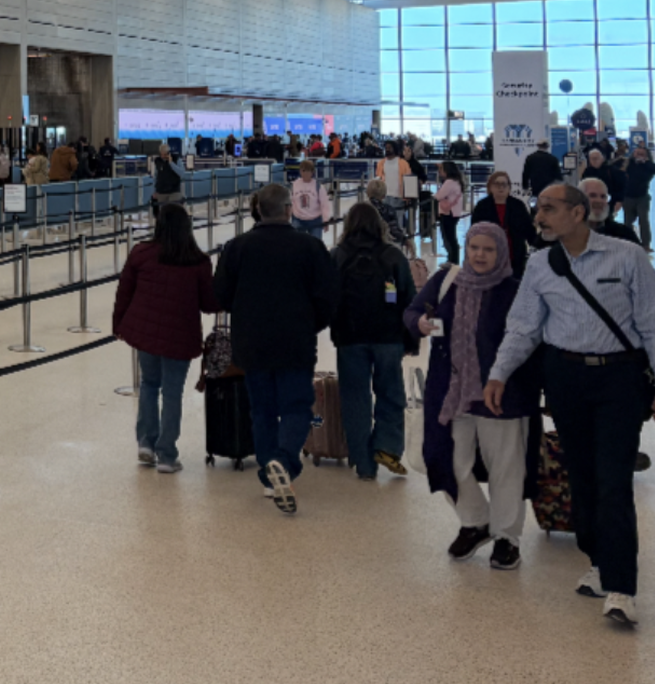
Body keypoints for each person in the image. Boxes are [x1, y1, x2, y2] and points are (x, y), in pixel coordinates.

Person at [484, 183, 655, 627]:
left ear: (578, 213)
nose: (539, 216)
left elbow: (653, 326)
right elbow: (524, 327)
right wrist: (499, 373)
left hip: (619, 379)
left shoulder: (628, 258)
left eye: (549, 208)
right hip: (566, 379)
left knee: (613, 480)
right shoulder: (541, 265)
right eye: (539, 208)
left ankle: (621, 588)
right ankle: (600, 561)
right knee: (581, 478)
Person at [406, 223, 530, 570]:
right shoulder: (446, 282)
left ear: (501, 253)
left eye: (488, 249)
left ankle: (507, 537)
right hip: (452, 391)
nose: (479, 255)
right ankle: (475, 521)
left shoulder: (515, 291)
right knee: (444, 457)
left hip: (501, 394)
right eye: (474, 247)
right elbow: (412, 311)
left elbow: (529, 338)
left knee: (506, 467)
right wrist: (420, 324)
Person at [213, 183, 340, 514]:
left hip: (251, 343)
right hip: (294, 341)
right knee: (297, 407)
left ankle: (271, 476)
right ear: (288, 209)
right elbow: (328, 298)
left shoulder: (236, 248)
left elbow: (221, 296)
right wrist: (310, 323)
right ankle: (284, 462)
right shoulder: (310, 247)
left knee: (263, 411)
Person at [113, 202, 218, 473]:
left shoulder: (141, 253)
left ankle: (145, 443)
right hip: (180, 337)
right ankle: (167, 456)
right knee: (172, 394)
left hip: (146, 334)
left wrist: (119, 324)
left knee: (149, 384)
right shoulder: (198, 261)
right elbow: (208, 303)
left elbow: (124, 291)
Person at [331, 203, 415, 480]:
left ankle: (363, 462)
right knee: (391, 392)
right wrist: (410, 339)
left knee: (355, 398)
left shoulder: (337, 256)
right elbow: (408, 298)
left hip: (349, 337)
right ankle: (388, 447)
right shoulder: (393, 256)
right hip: (388, 337)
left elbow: (325, 298)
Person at [469, 171, 542, 279]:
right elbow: (474, 231)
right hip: (490, 256)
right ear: (490, 187)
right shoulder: (482, 206)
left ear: (509, 187)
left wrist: (539, 247)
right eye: (497, 184)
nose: (501, 187)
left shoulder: (518, 205)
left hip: (515, 255)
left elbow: (528, 230)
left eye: (504, 184)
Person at [581, 177, 644, 248]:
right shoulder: (569, 233)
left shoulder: (625, 234)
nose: (599, 201)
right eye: (592, 195)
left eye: (603, 197)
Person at [624, 143, 655, 248]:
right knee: (628, 221)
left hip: (642, 197)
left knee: (643, 220)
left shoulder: (649, 166)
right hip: (628, 196)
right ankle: (627, 242)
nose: (639, 156)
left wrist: (646, 162)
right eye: (637, 153)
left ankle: (646, 244)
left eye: (642, 154)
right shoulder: (628, 163)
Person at [363, 178, 410, 249]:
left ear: (367, 192)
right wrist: (405, 240)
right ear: (384, 195)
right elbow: (395, 232)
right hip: (383, 249)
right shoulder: (388, 210)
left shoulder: (360, 209)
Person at [435, 159, 466, 265]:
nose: (440, 172)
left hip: (448, 213)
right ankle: (453, 259)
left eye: (441, 169)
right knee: (451, 237)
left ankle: (452, 260)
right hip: (455, 212)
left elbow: (439, 196)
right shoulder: (457, 181)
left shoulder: (449, 182)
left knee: (448, 238)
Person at [289, 161, 330, 238]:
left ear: (312, 172)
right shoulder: (294, 184)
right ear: (300, 171)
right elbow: (291, 201)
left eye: (308, 171)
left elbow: (324, 204)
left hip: (315, 219)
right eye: (303, 170)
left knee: (316, 244)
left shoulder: (318, 186)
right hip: (298, 219)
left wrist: (325, 220)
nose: (305, 173)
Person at [582, 149, 625, 216]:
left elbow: (620, 186)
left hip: (609, 202)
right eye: (592, 158)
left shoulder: (611, 171)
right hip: (592, 203)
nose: (595, 160)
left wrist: (619, 200)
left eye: (597, 158)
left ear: (602, 159)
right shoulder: (587, 172)